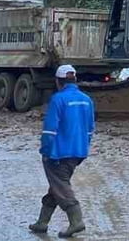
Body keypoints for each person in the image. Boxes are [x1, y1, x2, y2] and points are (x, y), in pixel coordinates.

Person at [30, 64, 94, 237]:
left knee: (61, 186)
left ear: (58, 81)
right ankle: (42, 222)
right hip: (78, 152)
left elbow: (50, 130)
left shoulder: (58, 99)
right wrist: (83, 148)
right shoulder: (86, 100)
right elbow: (90, 129)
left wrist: (45, 150)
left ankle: (76, 221)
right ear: (75, 80)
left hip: (58, 153)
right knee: (57, 186)